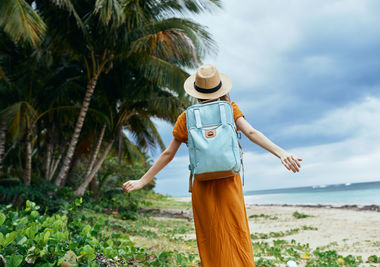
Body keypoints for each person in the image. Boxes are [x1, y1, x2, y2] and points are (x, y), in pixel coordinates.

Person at [123, 64, 302, 266]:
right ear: (221, 89)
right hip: (229, 182)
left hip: (203, 185)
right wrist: (282, 153)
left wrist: (142, 181)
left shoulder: (186, 117)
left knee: (211, 238)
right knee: (236, 232)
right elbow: (252, 133)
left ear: (196, 92)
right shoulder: (230, 109)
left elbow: (167, 154)